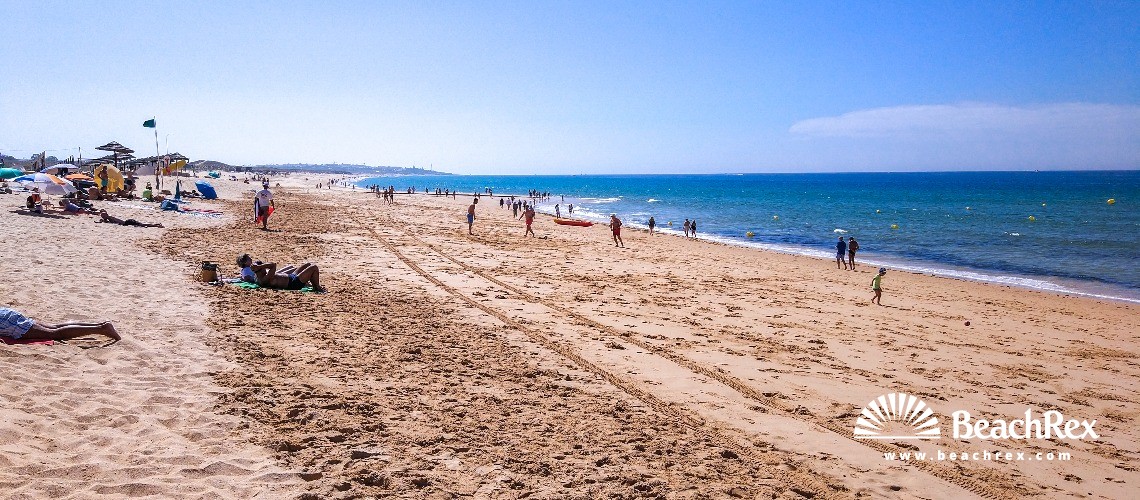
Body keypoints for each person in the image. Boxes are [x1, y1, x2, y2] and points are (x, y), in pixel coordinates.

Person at [1, 307, 120, 342]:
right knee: (54, 326)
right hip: (7, 314)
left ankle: (101, 328)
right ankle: (99, 325)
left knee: (54, 334)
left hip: (6, 323)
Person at [236, 254, 325, 292]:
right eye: (263, 268)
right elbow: (273, 265)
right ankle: (316, 287)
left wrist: (259, 267)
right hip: (294, 283)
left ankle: (314, 285)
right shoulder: (264, 279)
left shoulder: (258, 276)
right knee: (314, 267)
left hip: (291, 277)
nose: (264, 269)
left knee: (307, 264)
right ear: (260, 270)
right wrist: (260, 267)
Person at [95, 209, 164, 227]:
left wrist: (101, 221)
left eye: (103, 215)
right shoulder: (108, 218)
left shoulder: (110, 218)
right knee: (142, 225)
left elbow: (106, 221)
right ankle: (156, 224)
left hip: (127, 223)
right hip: (127, 223)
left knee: (142, 225)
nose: (103, 217)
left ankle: (156, 225)